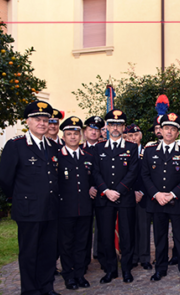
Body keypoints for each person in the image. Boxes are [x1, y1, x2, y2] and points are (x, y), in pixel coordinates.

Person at [0, 101, 61, 295]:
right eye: (37, 119)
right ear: (28, 121)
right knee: (29, 252)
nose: (42, 123)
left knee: (49, 251)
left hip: (51, 209)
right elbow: (5, 178)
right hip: (28, 210)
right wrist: (18, 199)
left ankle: (46, 286)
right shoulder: (16, 145)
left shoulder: (52, 146)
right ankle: (30, 290)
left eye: (45, 120)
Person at [141, 113, 180, 283]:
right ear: (161, 131)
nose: (169, 132)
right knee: (159, 238)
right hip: (157, 202)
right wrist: (156, 194)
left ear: (177, 133)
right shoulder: (149, 151)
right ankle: (160, 269)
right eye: (166, 129)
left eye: (173, 129)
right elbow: (145, 175)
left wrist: (173, 194)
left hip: (176, 202)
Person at [92, 109, 139, 284]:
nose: (115, 127)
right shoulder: (98, 148)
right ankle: (110, 270)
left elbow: (133, 172)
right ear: (107, 126)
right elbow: (95, 172)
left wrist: (118, 190)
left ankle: (126, 269)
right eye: (112, 124)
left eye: (119, 124)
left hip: (124, 197)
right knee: (105, 235)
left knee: (127, 235)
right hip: (105, 198)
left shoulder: (131, 148)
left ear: (124, 127)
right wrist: (106, 190)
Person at [56, 116, 94, 290]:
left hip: (84, 207)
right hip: (65, 208)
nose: (73, 137)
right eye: (69, 134)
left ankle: (79, 274)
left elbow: (93, 178)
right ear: (63, 137)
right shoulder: (57, 157)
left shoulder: (87, 156)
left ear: (81, 136)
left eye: (76, 133)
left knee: (81, 243)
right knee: (66, 244)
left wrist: (93, 187)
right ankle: (69, 276)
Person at [126, 124, 153, 270]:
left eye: (136, 135)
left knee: (144, 228)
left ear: (141, 136)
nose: (133, 138)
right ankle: (133, 257)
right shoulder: (124, 152)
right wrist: (131, 192)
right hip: (128, 195)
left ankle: (145, 258)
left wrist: (141, 192)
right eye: (130, 136)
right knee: (130, 228)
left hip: (144, 196)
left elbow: (149, 174)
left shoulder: (147, 152)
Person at [81, 115, 105, 269]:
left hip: (102, 194)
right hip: (84, 196)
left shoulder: (105, 148)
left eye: (97, 130)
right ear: (85, 131)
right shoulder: (79, 149)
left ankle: (103, 258)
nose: (94, 133)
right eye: (91, 129)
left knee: (103, 228)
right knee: (84, 230)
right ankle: (83, 261)